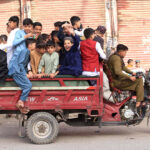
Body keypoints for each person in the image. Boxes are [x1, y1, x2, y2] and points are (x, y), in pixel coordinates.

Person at [8, 18, 34, 114]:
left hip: (20, 65)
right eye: (25, 26)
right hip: (16, 66)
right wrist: (26, 36)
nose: (27, 28)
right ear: (23, 26)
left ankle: (21, 103)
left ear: (32, 26)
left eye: (29, 26)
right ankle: (20, 102)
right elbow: (14, 43)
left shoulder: (31, 38)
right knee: (28, 85)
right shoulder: (19, 33)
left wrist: (28, 71)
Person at [107, 44, 144, 110]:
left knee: (137, 78)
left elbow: (123, 67)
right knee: (139, 80)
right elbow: (117, 72)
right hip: (116, 82)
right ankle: (138, 101)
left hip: (117, 80)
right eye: (125, 52)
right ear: (121, 51)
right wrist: (130, 77)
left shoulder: (115, 56)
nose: (125, 54)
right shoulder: (116, 58)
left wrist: (132, 73)